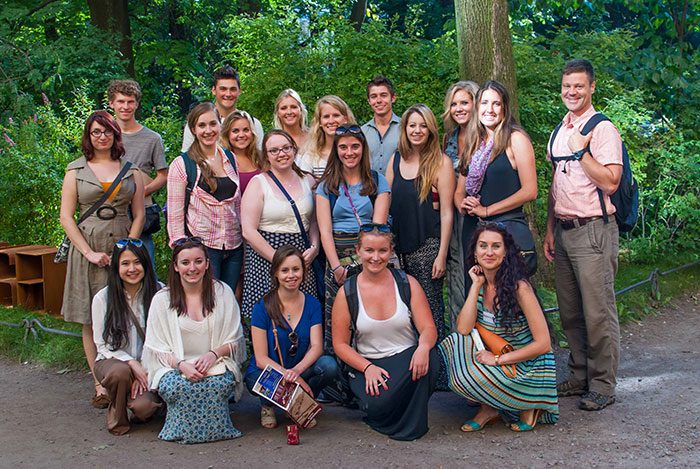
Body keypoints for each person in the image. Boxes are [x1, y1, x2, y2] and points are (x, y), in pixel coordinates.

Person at [544, 59, 623, 411]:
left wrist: (581, 150)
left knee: (598, 312)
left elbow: (610, 181)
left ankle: (603, 384)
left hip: (594, 230)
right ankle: (579, 373)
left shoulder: (602, 128)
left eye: (578, 86)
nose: (571, 92)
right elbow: (555, 183)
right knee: (571, 312)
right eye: (566, 86)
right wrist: (548, 230)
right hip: (563, 230)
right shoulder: (559, 129)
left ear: (592, 88)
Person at [60, 110, 145, 408]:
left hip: (123, 242)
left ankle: (134, 373)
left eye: (107, 131)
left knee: (128, 305)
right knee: (90, 314)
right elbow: (66, 217)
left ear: (115, 134)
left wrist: (130, 249)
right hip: (90, 245)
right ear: (88, 135)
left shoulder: (130, 169)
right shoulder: (75, 170)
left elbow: (140, 213)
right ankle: (100, 383)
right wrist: (88, 252)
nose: (102, 136)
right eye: (96, 131)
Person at [439, 223, 559, 432]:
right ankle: (490, 408)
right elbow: (463, 329)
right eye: (483, 246)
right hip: (496, 356)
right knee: (454, 344)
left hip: (527, 365)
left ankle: (528, 404)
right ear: (475, 253)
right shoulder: (480, 283)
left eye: (496, 246)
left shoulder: (520, 287)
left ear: (506, 252)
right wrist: (475, 285)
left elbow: (543, 344)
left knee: (472, 374)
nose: (489, 252)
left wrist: (496, 360)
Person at [332, 225, 439, 441]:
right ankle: (390, 407)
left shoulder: (407, 284)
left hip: (406, 361)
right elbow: (340, 344)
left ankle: (406, 416)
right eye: (369, 250)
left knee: (432, 358)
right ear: (358, 251)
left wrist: (423, 347)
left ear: (391, 251)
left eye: (382, 251)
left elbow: (428, 328)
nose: (375, 257)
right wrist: (368, 367)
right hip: (370, 364)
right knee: (377, 403)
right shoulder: (348, 292)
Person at [142, 237, 247, 444]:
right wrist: (182, 366)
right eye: (185, 262)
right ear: (176, 266)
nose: (192, 268)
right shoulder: (162, 299)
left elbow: (235, 339)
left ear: (207, 263)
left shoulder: (223, 292)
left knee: (216, 384)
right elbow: (156, 348)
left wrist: (213, 354)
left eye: (198, 261)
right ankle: (177, 431)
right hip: (175, 366)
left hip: (215, 362)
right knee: (178, 386)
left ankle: (220, 430)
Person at [385, 103, 454, 389]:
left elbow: (448, 211)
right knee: (405, 310)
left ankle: (438, 374)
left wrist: (441, 254)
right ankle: (412, 368)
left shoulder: (440, 163)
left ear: (430, 130)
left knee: (431, 309)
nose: (417, 130)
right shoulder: (395, 160)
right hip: (399, 247)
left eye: (422, 125)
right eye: (412, 125)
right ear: (405, 129)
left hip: (428, 246)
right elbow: (385, 204)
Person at [453, 80, 538, 289]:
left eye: (496, 104)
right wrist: (463, 204)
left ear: (504, 108)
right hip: (474, 232)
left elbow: (530, 190)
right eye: (484, 103)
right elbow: (459, 192)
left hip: (506, 230)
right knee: (477, 296)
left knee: (511, 298)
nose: (489, 109)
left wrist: (487, 210)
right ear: (477, 107)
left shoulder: (515, 139)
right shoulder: (474, 143)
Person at [244, 245, 339, 428]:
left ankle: (299, 403)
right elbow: (262, 359)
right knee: (253, 379)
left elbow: (317, 346)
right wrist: (293, 377)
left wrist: (296, 373)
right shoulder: (261, 307)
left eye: (296, 269)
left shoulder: (312, 304)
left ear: (303, 271)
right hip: (271, 370)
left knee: (328, 366)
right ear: (276, 274)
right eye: (285, 270)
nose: (291, 275)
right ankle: (268, 405)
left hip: (299, 367)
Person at [315, 125, 390, 353]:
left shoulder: (377, 182)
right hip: (336, 254)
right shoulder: (326, 187)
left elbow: (378, 229)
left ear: (363, 149)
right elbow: (324, 230)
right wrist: (337, 266)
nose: (350, 152)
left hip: (370, 254)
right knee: (338, 317)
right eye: (343, 147)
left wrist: (362, 262)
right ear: (336, 151)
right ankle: (337, 374)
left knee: (369, 313)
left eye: (355, 146)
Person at [241, 130, 320, 319]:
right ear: (266, 155)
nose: (281, 154)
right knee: (268, 317)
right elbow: (248, 231)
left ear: (294, 149)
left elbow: (314, 220)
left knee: (301, 317)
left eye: (286, 148)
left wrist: (315, 247)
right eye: (274, 150)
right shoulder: (258, 183)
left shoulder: (308, 180)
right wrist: (279, 260)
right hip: (266, 257)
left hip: (301, 256)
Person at [167, 102, 243, 293]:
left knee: (228, 299)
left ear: (220, 125)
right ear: (193, 129)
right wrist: (183, 253)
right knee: (206, 302)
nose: (208, 130)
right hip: (203, 249)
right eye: (202, 125)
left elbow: (238, 204)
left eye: (212, 124)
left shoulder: (230, 158)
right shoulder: (182, 164)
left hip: (234, 245)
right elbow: (175, 216)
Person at [92, 239, 162, 435]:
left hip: (149, 366)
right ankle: (118, 416)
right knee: (120, 372)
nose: (132, 269)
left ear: (146, 264)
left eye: (137, 262)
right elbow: (101, 345)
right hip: (112, 362)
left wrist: (144, 369)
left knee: (144, 409)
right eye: (125, 264)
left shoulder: (160, 293)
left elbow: (165, 340)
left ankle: (144, 401)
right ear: (116, 267)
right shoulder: (103, 298)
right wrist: (132, 364)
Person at [108, 79, 168, 271]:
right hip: (110, 210)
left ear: (137, 103)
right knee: (112, 266)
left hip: (139, 211)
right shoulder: (104, 135)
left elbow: (163, 176)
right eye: (121, 101)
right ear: (111, 103)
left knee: (143, 265)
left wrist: (140, 192)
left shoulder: (152, 138)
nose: (126, 107)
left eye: (130, 102)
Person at [442, 80, 480, 329]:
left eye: (464, 102)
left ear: (476, 103)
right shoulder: (449, 139)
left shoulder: (488, 137)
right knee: (456, 271)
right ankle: (458, 336)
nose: (459, 108)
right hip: (453, 217)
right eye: (454, 104)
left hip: (481, 216)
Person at [181, 65, 263, 152]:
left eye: (233, 89)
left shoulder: (252, 123)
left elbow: (261, 159)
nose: (228, 94)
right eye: (223, 89)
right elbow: (186, 159)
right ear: (213, 90)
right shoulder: (198, 122)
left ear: (239, 91)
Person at [297, 95, 356, 179]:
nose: (331, 121)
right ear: (320, 122)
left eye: (336, 115)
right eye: (326, 116)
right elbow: (305, 187)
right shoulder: (311, 156)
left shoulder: (355, 153)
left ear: (345, 119)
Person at [360, 76, 401, 175]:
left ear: (393, 98)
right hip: (369, 188)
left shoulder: (405, 128)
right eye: (374, 96)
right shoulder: (362, 131)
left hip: (398, 188)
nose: (378, 100)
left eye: (383, 95)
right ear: (369, 101)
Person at [221, 110, 265, 195]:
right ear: (227, 134)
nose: (241, 135)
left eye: (246, 130)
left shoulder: (262, 158)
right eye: (235, 131)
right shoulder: (222, 160)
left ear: (252, 133)